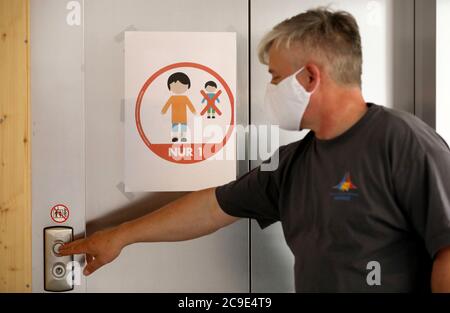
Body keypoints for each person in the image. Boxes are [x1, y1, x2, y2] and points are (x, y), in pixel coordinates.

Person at [59, 8, 450, 292]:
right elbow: (213, 207)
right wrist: (121, 236)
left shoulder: (404, 144)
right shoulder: (293, 162)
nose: (271, 89)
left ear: (310, 77)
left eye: (276, 77)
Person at [161, 72, 197, 143]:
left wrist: (193, 111)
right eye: (175, 86)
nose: (179, 88)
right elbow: (167, 105)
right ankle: (175, 137)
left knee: (183, 127)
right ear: (170, 87)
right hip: (175, 117)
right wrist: (163, 111)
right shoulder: (172, 98)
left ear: (187, 86)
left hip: (183, 117)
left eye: (182, 86)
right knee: (175, 128)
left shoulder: (185, 98)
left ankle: (183, 137)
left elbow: (190, 105)